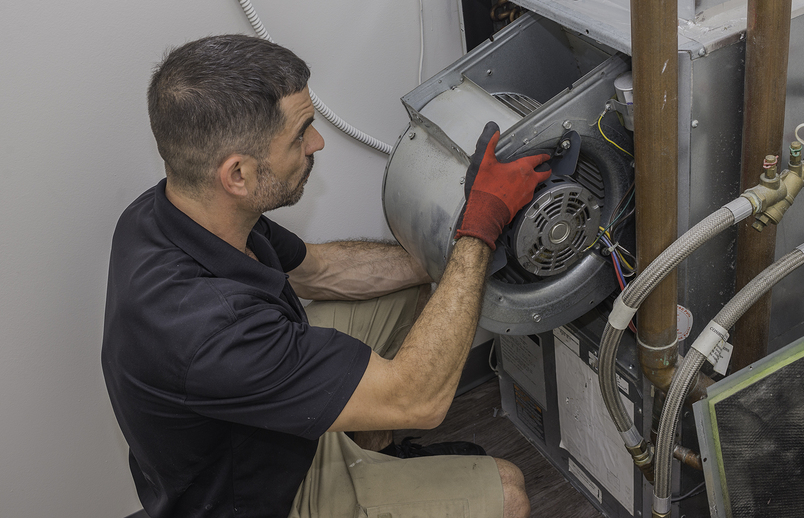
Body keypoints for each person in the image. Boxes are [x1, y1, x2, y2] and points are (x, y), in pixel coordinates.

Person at [102, 34, 551, 518]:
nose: (317, 142)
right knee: (509, 492)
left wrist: (452, 241)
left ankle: (376, 456)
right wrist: (481, 226)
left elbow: (322, 271)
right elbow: (420, 401)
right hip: (264, 500)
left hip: (266, 429)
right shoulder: (211, 332)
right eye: (301, 134)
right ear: (238, 175)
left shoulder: (169, 213)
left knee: (415, 286)